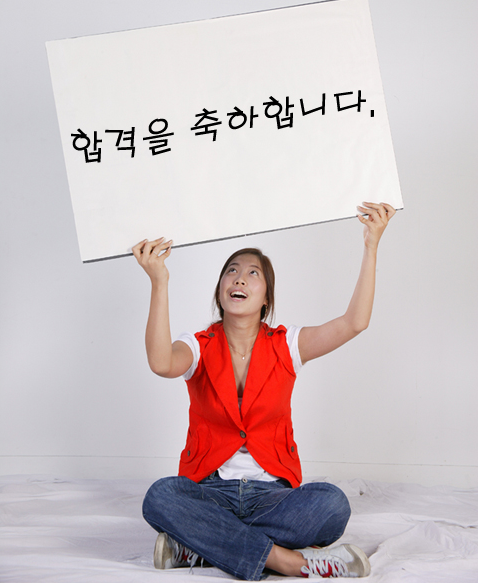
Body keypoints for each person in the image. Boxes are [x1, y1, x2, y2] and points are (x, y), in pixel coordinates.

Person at [132, 201, 395, 579]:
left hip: (273, 496)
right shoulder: (199, 345)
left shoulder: (287, 345)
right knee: (160, 497)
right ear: (220, 290)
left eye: (252, 273)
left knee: (332, 505)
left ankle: (200, 546)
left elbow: (354, 323)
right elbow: (160, 362)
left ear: (266, 296)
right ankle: (288, 562)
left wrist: (371, 244)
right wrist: (159, 281)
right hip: (210, 491)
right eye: (232, 271)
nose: (239, 279)